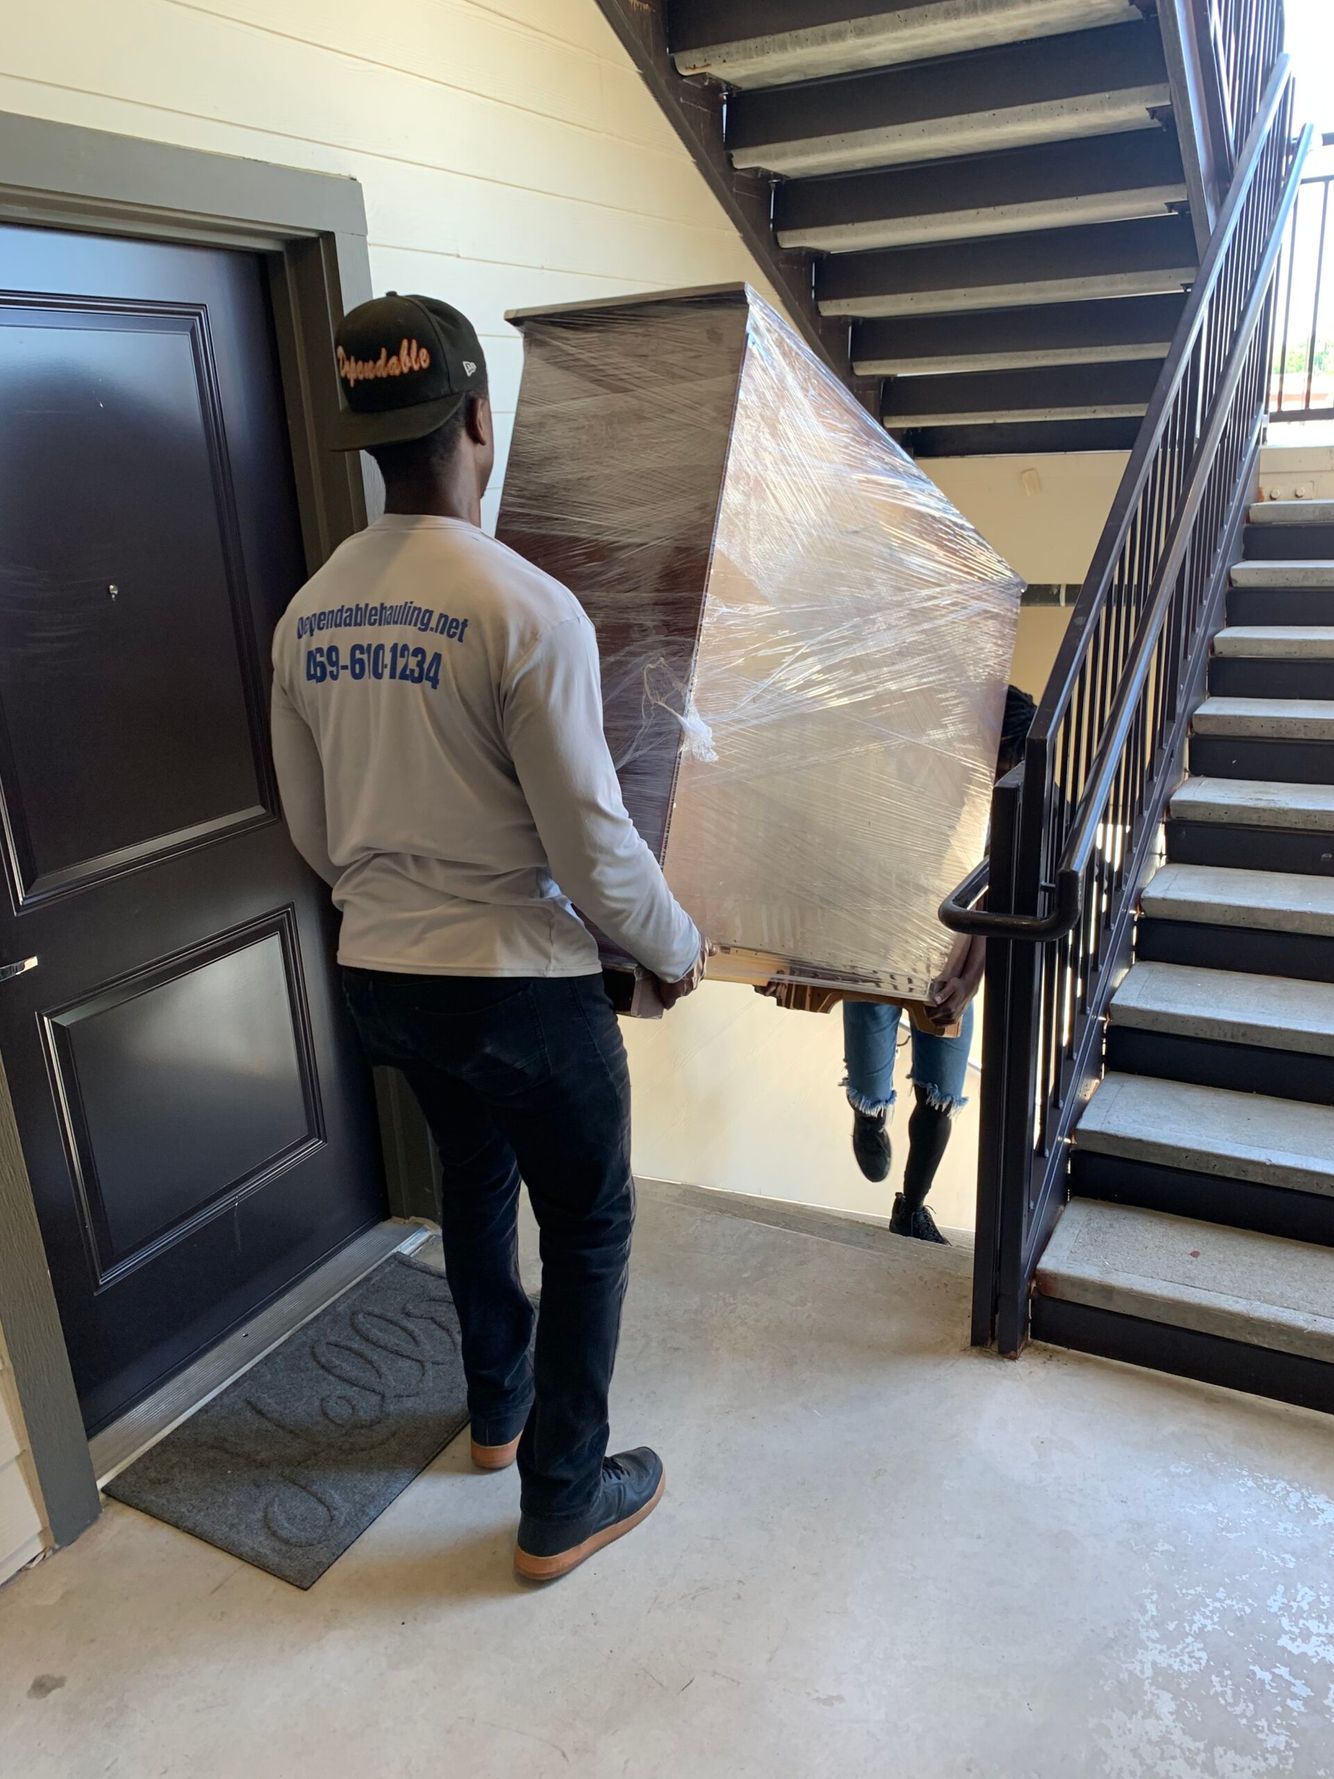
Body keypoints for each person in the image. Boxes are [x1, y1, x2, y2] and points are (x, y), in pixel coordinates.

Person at [269, 292, 708, 1583]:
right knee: (588, 1216)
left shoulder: (306, 618)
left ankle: (496, 1410)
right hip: (517, 985)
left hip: (384, 983)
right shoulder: (524, 611)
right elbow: (591, 847)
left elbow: (312, 829)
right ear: (476, 418)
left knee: (473, 1174)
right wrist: (674, 946)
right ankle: (562, 1497)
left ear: (368, 436)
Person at [843, 685, 1038, 1243]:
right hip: (879, 955)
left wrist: (970, 982)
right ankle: (869, 1116)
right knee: (870, 1069)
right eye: (1003, 755)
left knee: (940, 1094)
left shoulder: (1011, 806)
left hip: (949, 965)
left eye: (1014, 760)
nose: (1006, 768)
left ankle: (912, 1207)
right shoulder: (916, 783)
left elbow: (990, 901)